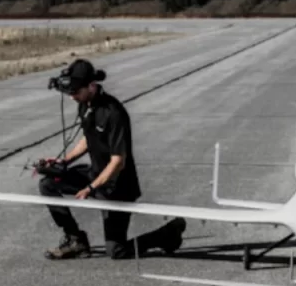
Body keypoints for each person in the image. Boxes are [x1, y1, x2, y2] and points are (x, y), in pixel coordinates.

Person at [38, 58, 186, 259]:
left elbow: (118, 161)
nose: (72, 97)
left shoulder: (114, 113)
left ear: (91, 86)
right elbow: (89, 138)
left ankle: (166, 235)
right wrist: (64, 161)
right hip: (96, 175)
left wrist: (91, 188)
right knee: (48, 184)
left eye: (75, 92)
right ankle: (76, 240)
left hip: (117, 187)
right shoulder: (85, 103)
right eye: (70, 93)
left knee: (117, 251)